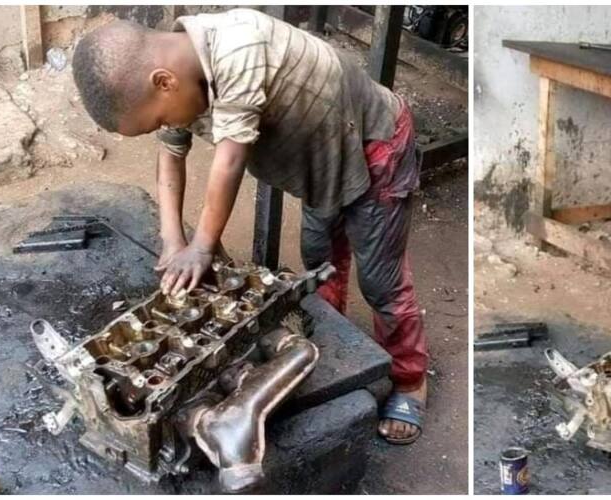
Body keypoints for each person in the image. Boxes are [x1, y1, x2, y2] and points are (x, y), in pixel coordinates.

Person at [71, 8, 428, 444]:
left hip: (373, 150)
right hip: (318, 165)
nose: (166, 127)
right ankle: (337, 342)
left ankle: (410, 379)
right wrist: (171, 240)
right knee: (319, 254)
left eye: (160, 120)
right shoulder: (179, 74)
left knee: (382, 282)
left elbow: (230, 160)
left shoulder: (239, 49)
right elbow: (170, 156)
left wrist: (202, 246)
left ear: (164, 81)